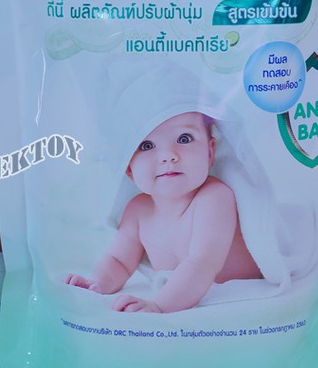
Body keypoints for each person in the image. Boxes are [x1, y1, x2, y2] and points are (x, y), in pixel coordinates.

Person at [65, 112, 261, 312]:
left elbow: (202, 263)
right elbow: (119, 261)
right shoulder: (138, 210)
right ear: (129, 168)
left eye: (184, 138)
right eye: (146, 145)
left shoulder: (214, 197)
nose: (168, 155)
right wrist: (97, 283)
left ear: (210, 152)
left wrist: (160, 305)